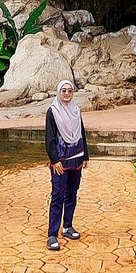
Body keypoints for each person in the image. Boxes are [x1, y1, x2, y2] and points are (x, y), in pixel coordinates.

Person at [45, 79, 89, 250]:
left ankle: (67, 226)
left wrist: (86, 155)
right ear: (58, 92)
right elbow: (50, 137)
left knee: (72, 193)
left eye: (69, 91)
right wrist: (54, 160)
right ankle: (52, 234)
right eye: (63, 91)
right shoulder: (53, 112)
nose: (66, 94)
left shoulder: (76, 111)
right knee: (58, 195)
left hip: (76, 158)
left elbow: (82, 133)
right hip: (60, 162)